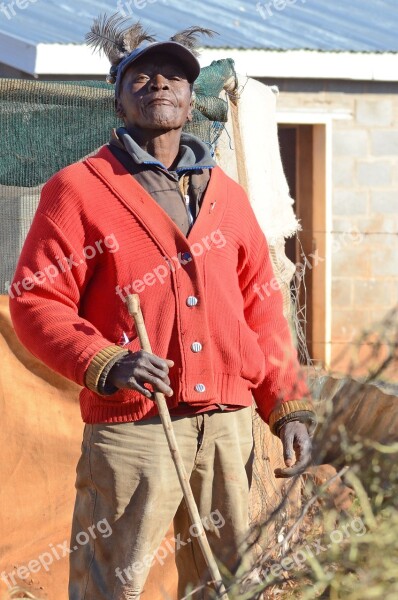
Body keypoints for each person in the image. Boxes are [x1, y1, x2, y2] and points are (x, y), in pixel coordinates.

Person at [9, 16, 316, 600]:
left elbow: (264, 309)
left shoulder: (226, 196)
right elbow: (36, 300)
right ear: (118, 96)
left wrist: (288, 406)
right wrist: (106, 361)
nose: (159, 86)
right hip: (135, 428)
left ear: (191, 96)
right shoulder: (77, 190)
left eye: (174, 77)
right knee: (109, 584)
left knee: (225, 584)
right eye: (141, 78)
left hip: (227, 428)